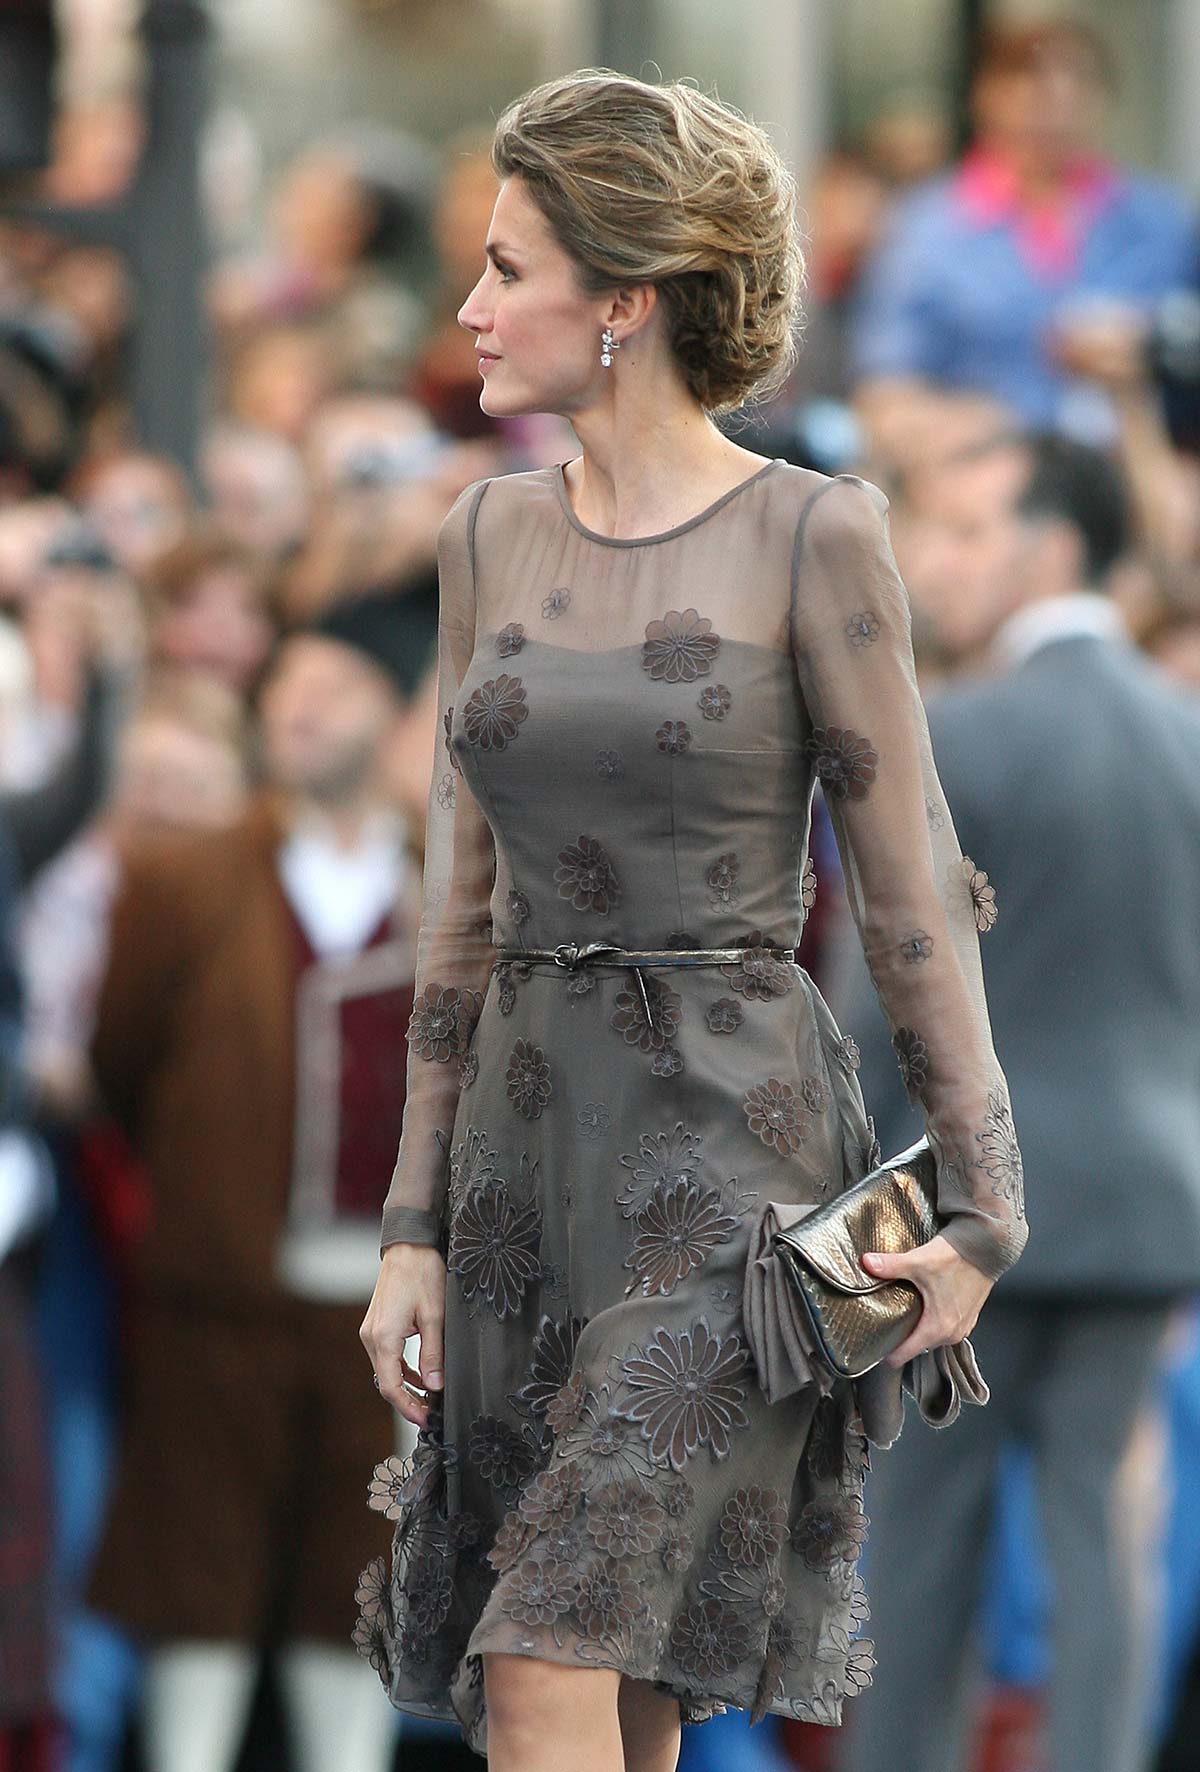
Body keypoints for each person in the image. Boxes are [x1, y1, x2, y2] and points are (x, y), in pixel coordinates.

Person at [357, 69, 1027, 1772]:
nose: (471, 307)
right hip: (522, 1158)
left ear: (626, 299)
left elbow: (909, 883)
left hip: (731, 1162)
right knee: (619, 1693)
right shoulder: (486, 535)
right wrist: (412, 1227)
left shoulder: (817, 532)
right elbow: (459, 915)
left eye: (509, 267)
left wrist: (983, 1202)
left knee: (547, 1650)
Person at [831, 432, 1200, 1772]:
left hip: (959, 1215)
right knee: (1102, 1528)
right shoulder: (1188, 735)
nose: (939, 558)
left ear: (1051, 548)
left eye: (973, 530)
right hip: (1151, 1202)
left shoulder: (959, 734)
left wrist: (850, 1227)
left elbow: (880, 989)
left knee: (929, 1536)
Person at [82, 592, 437, 1772]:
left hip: (382, 1314)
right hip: (217, 1301)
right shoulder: (188, 880)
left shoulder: (448, 893)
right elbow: (116, 1065)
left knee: (358, 1583)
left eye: (333, 691)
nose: (298, 708)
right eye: (286, 685)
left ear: (396, 720)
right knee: (199, 1587)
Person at [849, 20, 1197, 457]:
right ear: (984, 97)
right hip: (984, 485)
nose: (1053, 107)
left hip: (1137, 479)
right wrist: (978, 422)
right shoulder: (925, 229)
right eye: (1031, 86)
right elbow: (883, 390)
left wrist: (1148, 353)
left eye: (1075, 85)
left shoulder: (1159, 222)